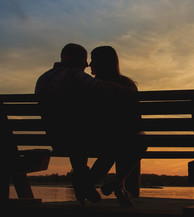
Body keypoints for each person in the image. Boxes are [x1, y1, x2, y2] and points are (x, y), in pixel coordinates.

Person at [35, 43, 140, 206]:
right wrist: (129, 91)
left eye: (90, 60)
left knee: (87, 138)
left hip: (58, 138)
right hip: (84, 137)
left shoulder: (43, 78)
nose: (87, 64)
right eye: (85, 59)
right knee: (120, 142)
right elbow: (102, 90)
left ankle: (85, 180)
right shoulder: (78, 77)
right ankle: (98, 183)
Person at [89, 46, 146, 206]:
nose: (89, 64)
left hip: (97, 141)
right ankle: (118, 183)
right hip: (126, 141)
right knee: (135, 141)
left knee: (116, 145)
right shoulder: (127, 84)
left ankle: (90, 183)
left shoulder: (92, 86)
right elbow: (136, 118)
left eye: (93, 60)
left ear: (101, 63)